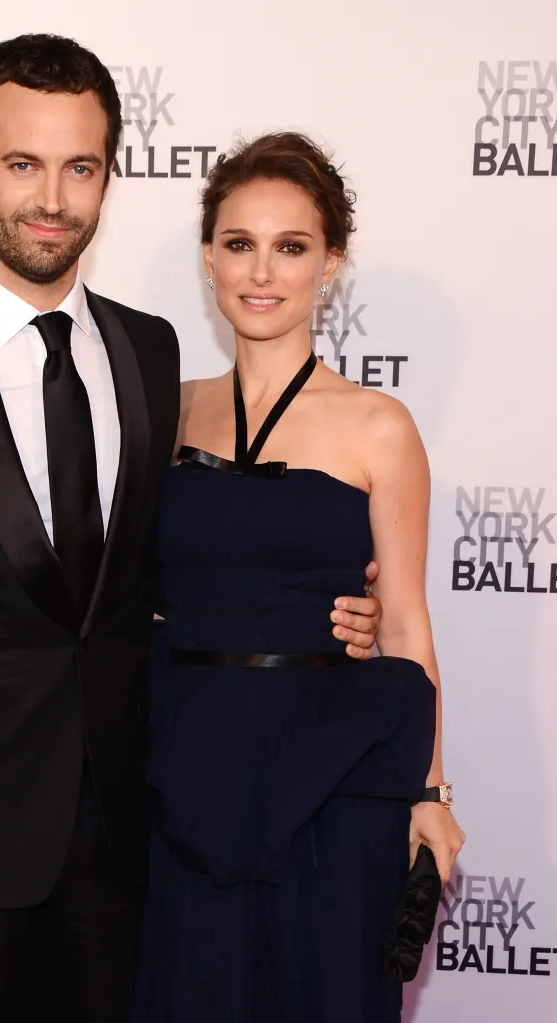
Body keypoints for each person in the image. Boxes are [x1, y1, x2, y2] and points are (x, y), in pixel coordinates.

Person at [0, 37, 382, 1023]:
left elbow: (162, 575)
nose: (52, 198)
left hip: (132, 832)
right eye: (23, 163)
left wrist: (326, 623)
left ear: (109, 174)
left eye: (80, 167)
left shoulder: (148, 353)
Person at [133, 132, 466, 1023]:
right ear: (209, 256)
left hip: (332, 775)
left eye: (291, 246)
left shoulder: (377, 426)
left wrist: (430, 791)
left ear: (331, 263)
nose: (261, 271)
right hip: (182, 768)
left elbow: (401, 624)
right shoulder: (158, 408)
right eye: (239, 243)